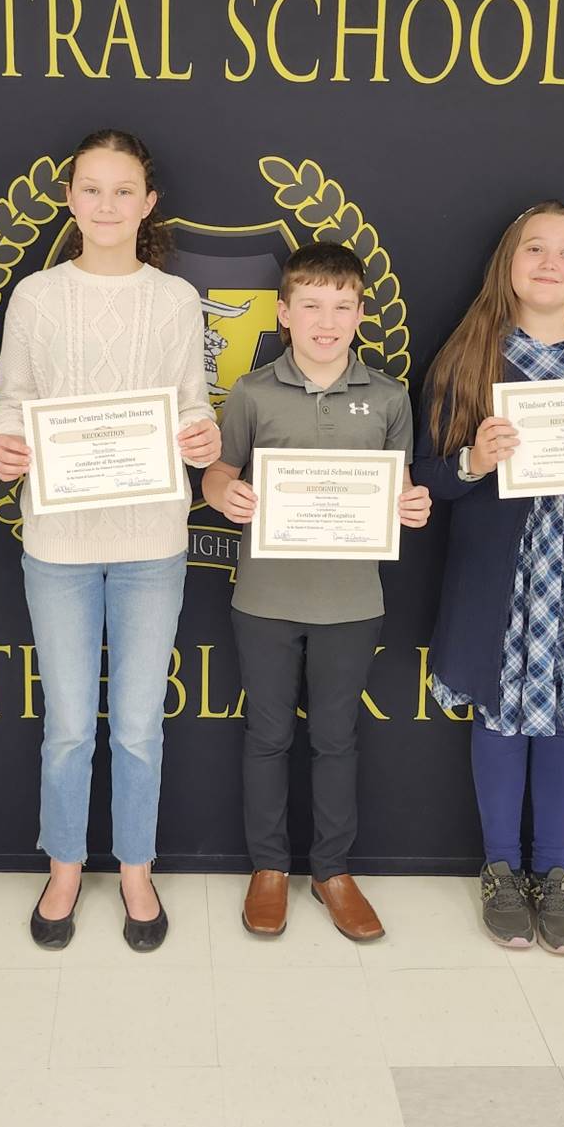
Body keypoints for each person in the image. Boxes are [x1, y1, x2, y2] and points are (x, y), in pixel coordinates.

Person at [0, 128, 219, 952]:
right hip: (58, 542)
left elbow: (193, 401)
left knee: (138, 725)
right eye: (93, 188)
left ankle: (135, 866)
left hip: (153, 539)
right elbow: (10, 399)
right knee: (72, 724)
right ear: (70, 197)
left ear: (148, 203)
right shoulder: (37, 296)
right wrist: (2, 441)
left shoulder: (175, 299)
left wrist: (202, 437)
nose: (108, 204)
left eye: (125, 190)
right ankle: (64, 863)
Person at [413, 204, 564, 953]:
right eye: (535, 249)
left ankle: (554, 872)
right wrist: (472, 462)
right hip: (505, 573)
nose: (550, 264)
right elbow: (427, 480)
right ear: (507, 264)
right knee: (501, 713)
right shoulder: (469, 353)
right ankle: (499, 867)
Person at [202, 243, 432, 942]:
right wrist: (225, 494)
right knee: (268, 736)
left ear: (361, 313)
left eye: (341, 307)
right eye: (310, 306)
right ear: (283, 314)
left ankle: (332, 869)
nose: (325, 321)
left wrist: (411, 506)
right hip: (265, 599)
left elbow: (400, 489)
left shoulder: (390, 397)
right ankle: (269, 868)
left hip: (352, 601)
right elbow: (217, 471)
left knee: (336, 740)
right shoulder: (250, 392)